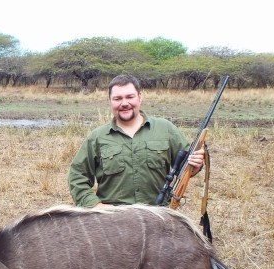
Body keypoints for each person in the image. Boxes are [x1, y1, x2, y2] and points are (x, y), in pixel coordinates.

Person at [68, 74, 205, 208]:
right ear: (109, 101)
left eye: (130, 97)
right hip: (113, 220)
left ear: (140, 97)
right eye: (117, 98)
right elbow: (77, 176)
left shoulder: (166, 129)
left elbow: (187, 169)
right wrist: (96, 205)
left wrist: (196, 164)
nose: (124, 103)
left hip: (158, 214)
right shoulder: (97, 137)